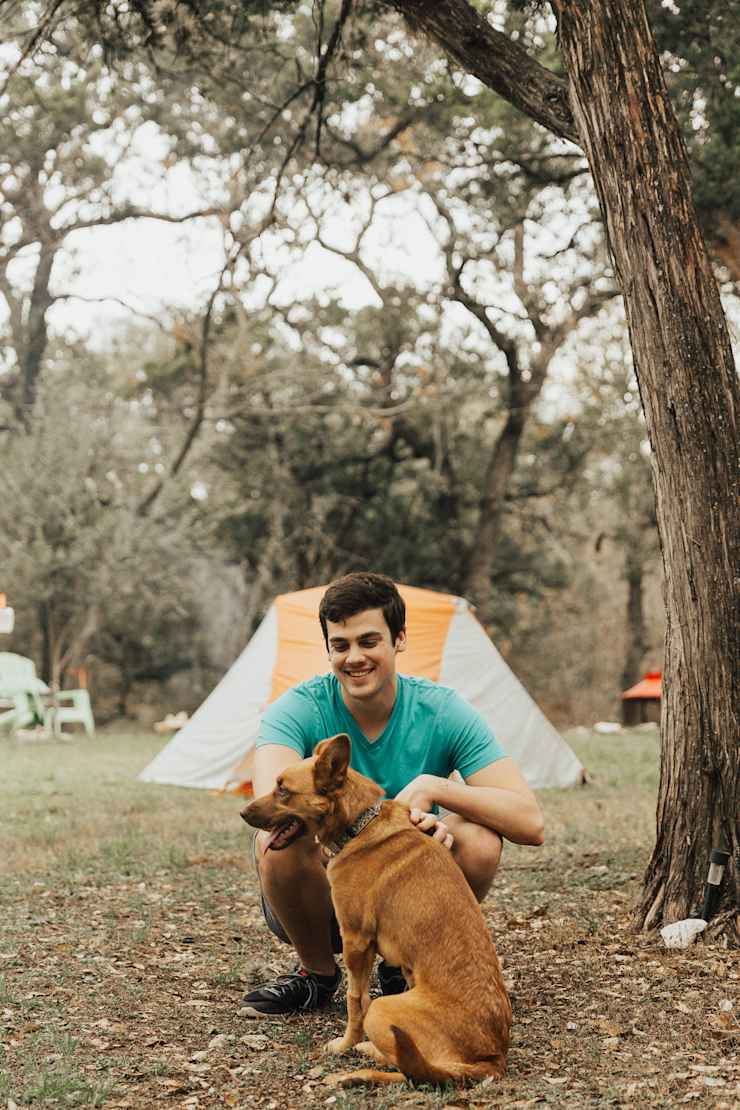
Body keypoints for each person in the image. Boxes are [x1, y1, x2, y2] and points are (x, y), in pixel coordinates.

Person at [242, 572, 544, 1016]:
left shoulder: (442, 710)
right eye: (340, 645)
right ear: (327, 648)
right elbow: (274, 799)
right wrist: (389, 823)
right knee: (279, 838)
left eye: (369, 641)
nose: (354, 657)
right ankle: (317, 976)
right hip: (321, 895)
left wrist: (432, 788)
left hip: (407, 897)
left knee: (478, 838)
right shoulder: (297, 708)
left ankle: (402, 966)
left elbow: (530, 823)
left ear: (399, 639)